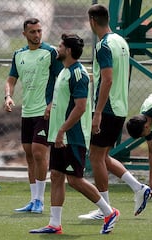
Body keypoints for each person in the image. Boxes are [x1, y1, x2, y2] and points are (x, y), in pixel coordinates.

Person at [29, 34, 119, 235]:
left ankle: (108, 212)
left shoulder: (78, 74)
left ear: (68, 50)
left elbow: (80, 107)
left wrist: (62, 130)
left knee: (75, 180)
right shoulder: (65, 71)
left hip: (73, 137)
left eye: (61, 46)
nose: (57, 48)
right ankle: (54, 224)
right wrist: (52, 108)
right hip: (60, 137)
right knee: (57, 176)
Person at [78, 4, 151, 220]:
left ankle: (105, 209)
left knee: (96, 156)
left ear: (92, 20)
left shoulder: (103, 46)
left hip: (107, 108)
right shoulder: (121, 41)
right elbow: (111, 75)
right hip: (120, 107)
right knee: (104, 156)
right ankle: (138, 188)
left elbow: (108, 79)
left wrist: (97, 113)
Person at [4, 18, 63, 213]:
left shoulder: (51, 52)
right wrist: (8, 96)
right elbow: (11, 79)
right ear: (24, 34)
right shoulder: (18, 54)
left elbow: (62, 79)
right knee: (29, 154)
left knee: (39, 152)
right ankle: (33, 199)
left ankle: (40, 201)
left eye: (39, 31)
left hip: (44, 111)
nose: (37, 35)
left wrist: (52, 103)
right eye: (33, 32)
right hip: (27, 111)